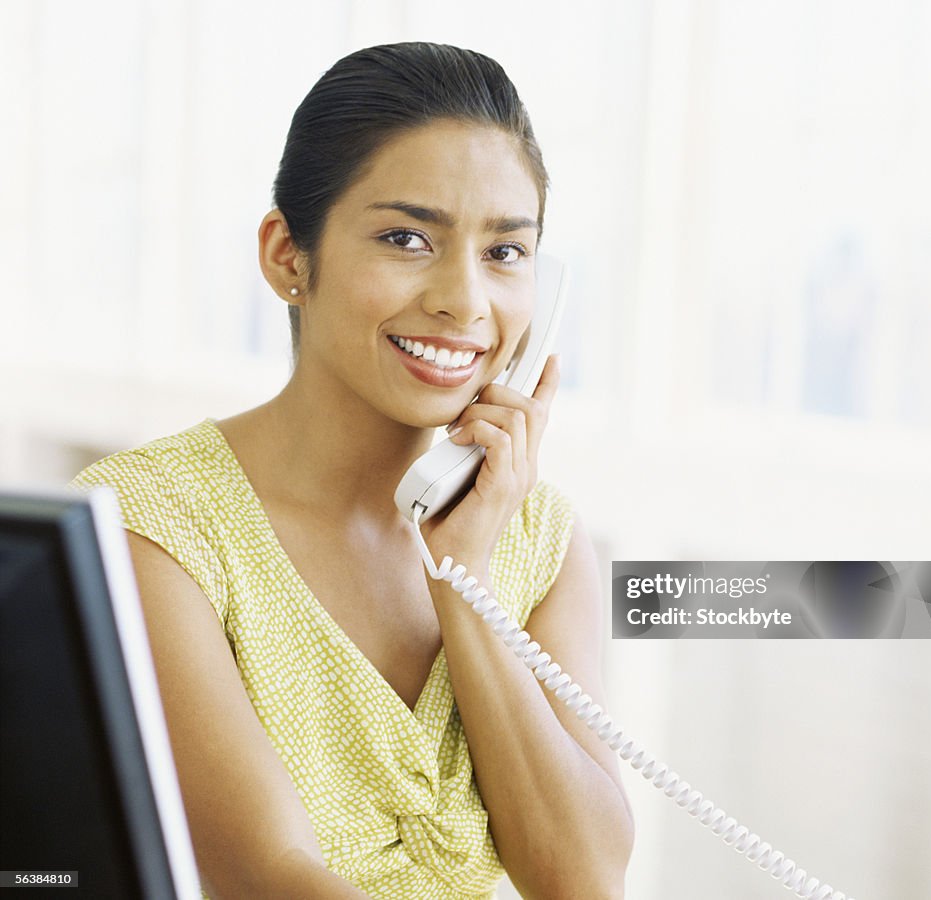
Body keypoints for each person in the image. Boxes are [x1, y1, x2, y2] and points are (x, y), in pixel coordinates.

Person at [73, 42, 633, 899]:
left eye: (506, 252)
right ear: (288, 257)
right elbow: (269, 874)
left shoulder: (539, 540)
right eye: (407, 238)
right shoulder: (149, 527)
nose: (466, 301)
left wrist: (464, 576)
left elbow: (582, 879)